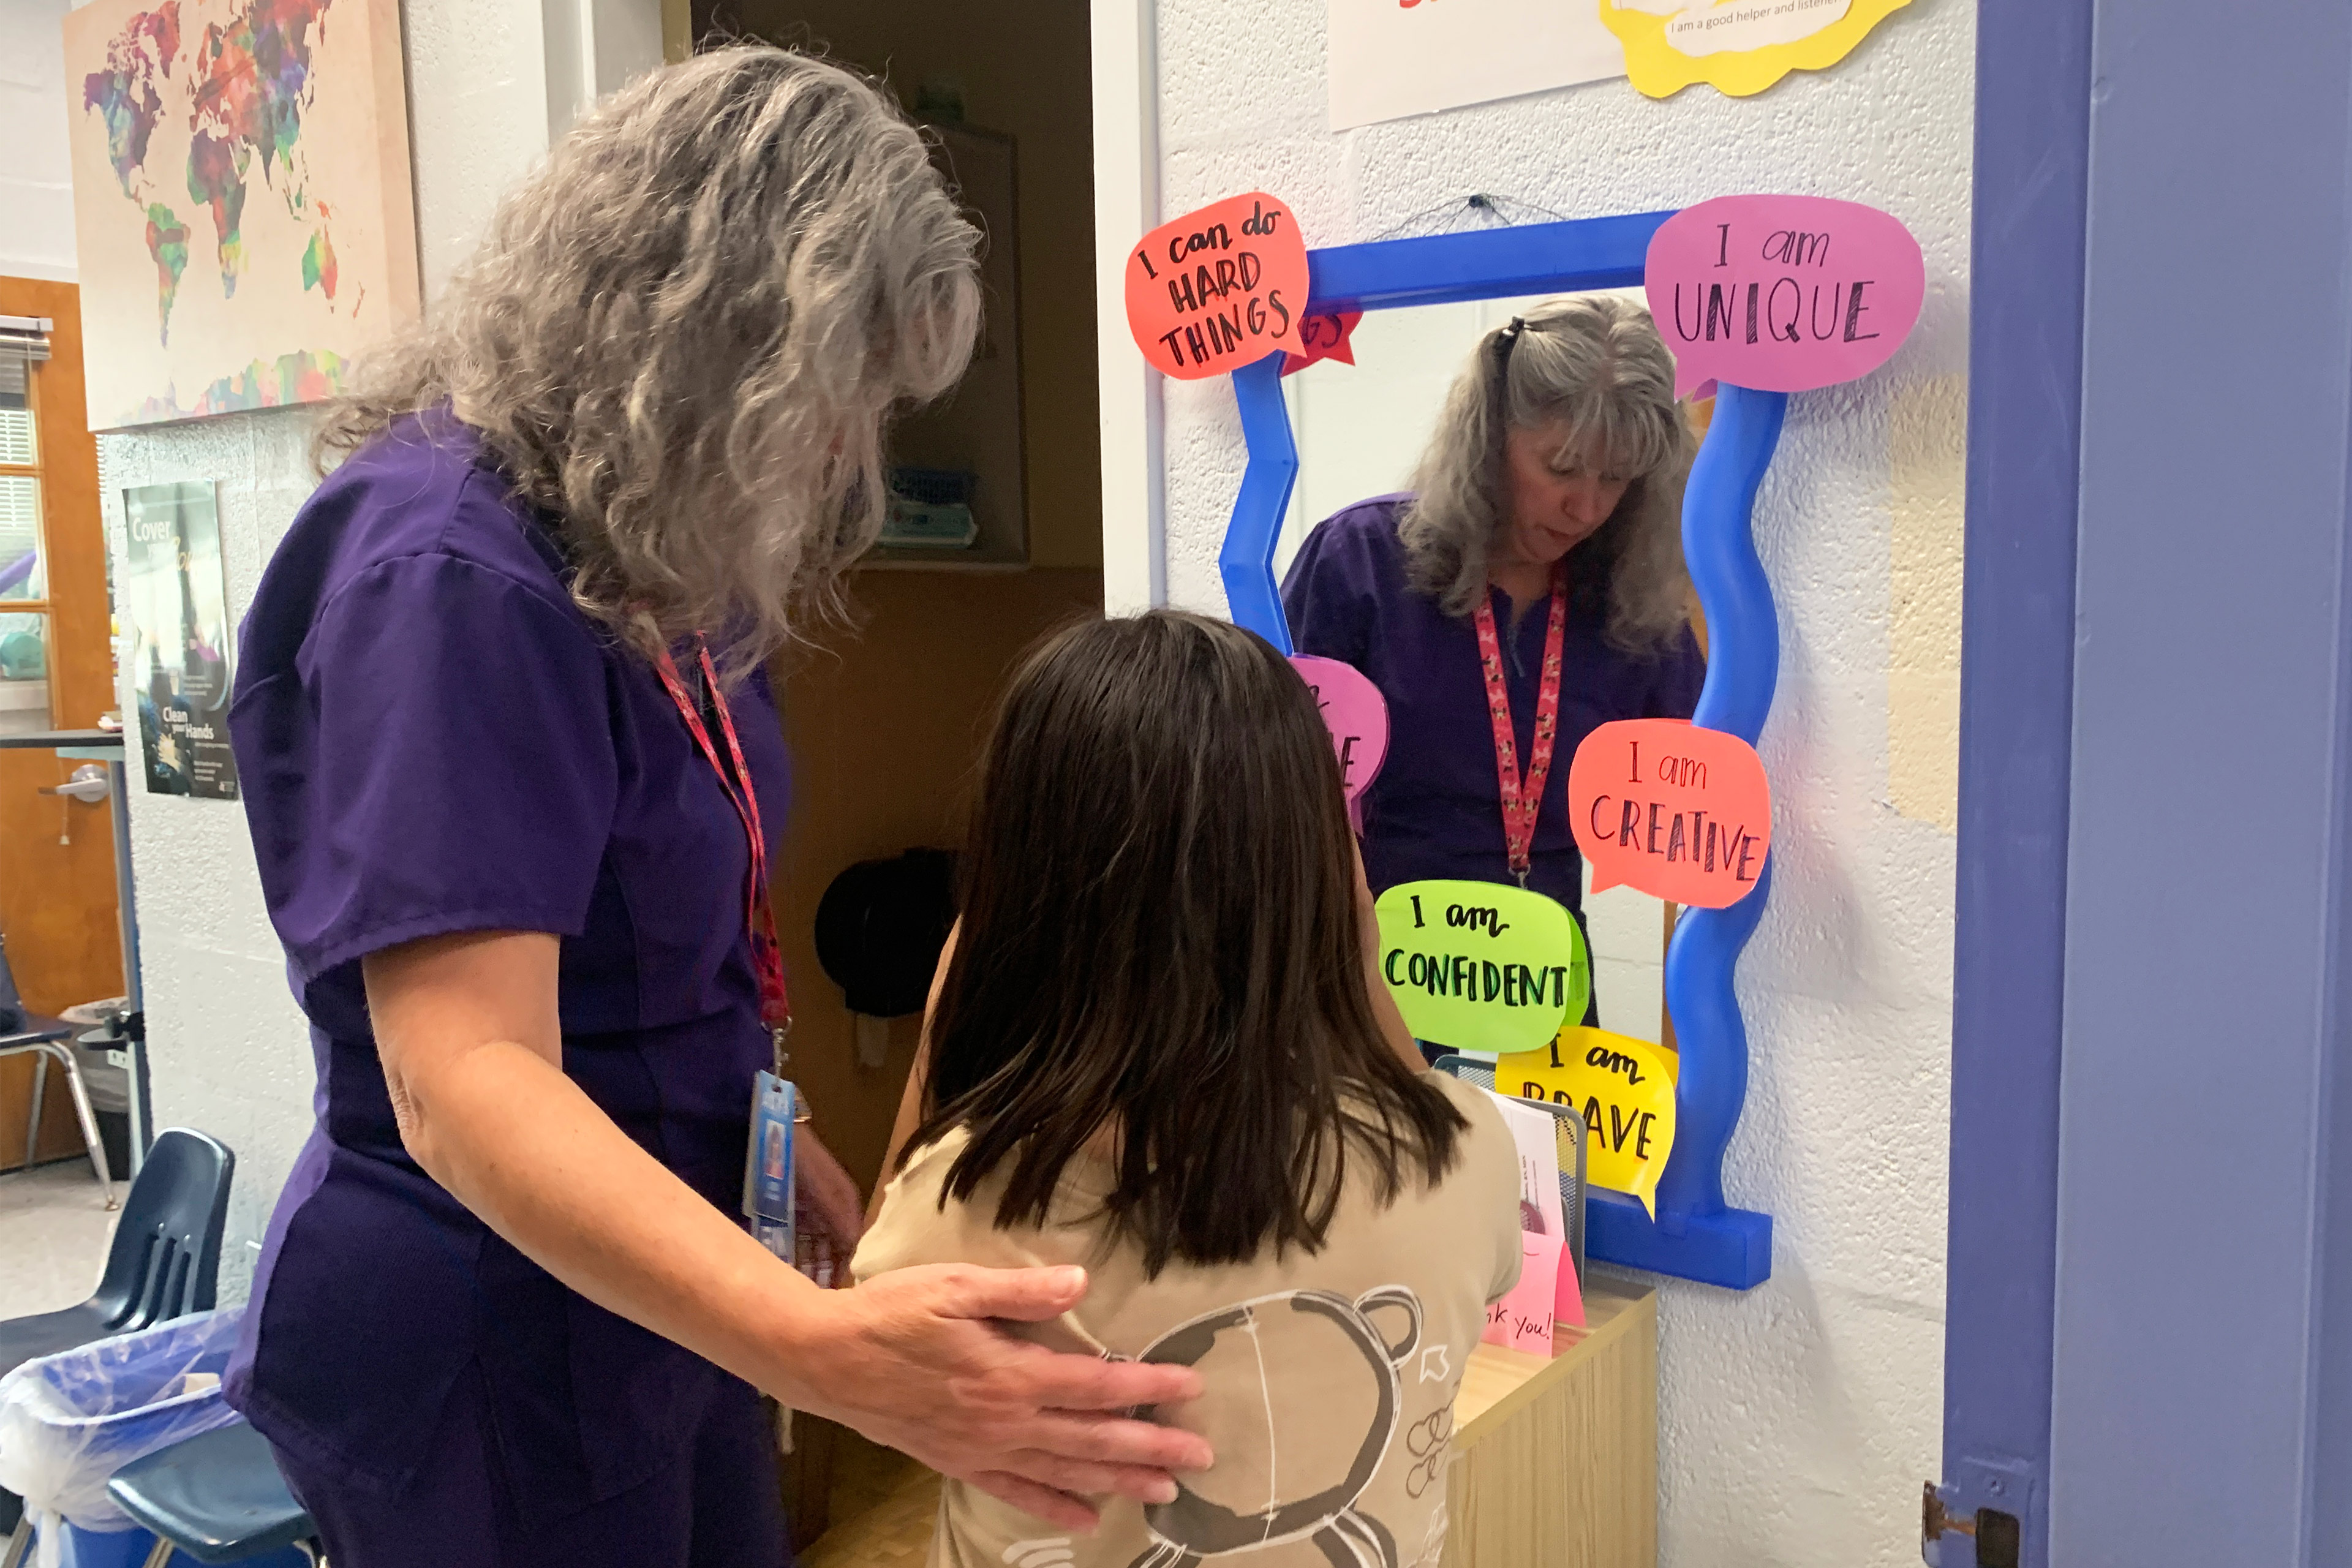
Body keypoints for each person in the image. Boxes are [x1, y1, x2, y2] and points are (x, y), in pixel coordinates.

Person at [223, 49, 1209, 1568]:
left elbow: (657, 929)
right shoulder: (450, 575)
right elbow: (465, 1072)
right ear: (703, 329)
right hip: (487, 1337)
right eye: (836, 395)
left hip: (658, 1293)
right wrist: (835, 1353)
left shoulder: (648, 555)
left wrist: (767, 1124)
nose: (842, 454)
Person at [856, 611, 1523, 1568]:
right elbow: (1417, 1112)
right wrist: (1354, 952)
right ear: (1327, 876)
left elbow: (876, 1350)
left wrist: (950, 1007)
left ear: (1018, 898)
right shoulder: (1461, 1157)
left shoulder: (973, 1202)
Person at [1281, 296, 1705, 1022]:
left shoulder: (1632, 605)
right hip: (1375, 980)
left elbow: (1702, 789)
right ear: (1491, 438)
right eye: (1562, 466)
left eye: (1617, 478)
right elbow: (1271, 790)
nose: (1587, 507)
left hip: (1542, 994)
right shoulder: (1360, 563)